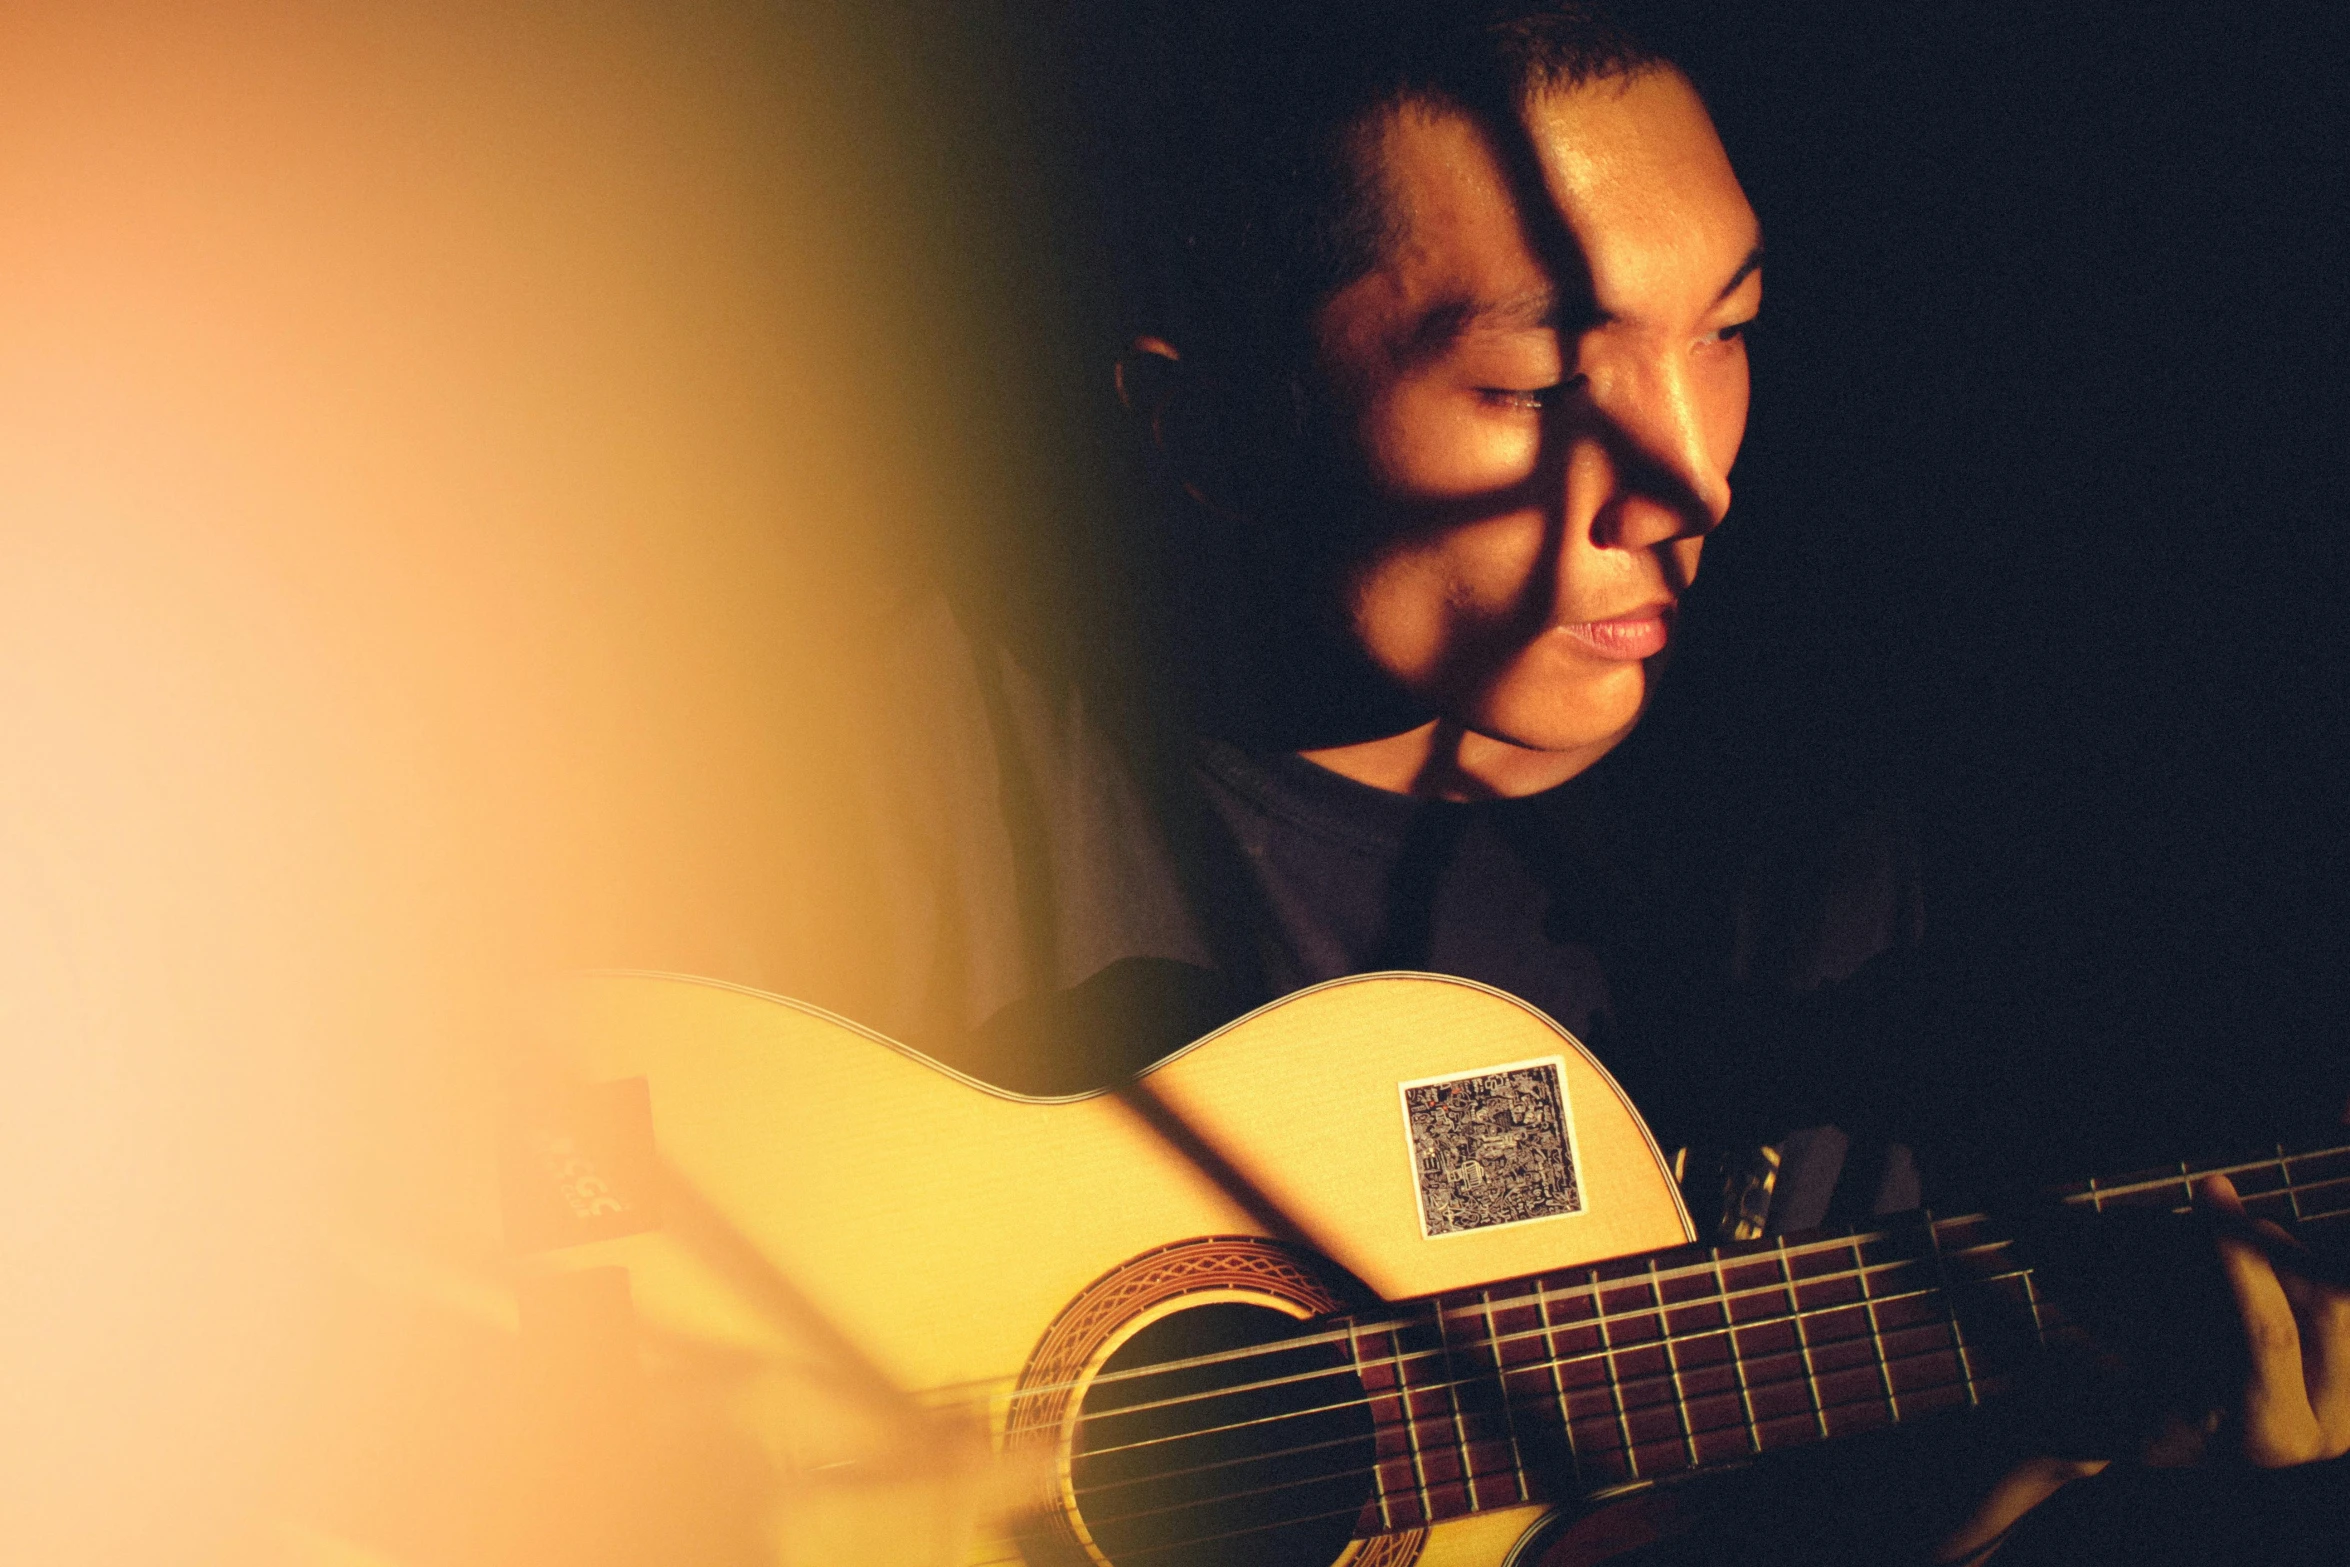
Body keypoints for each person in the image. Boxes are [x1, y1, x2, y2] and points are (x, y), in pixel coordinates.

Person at [820, 2, 2350, 1559]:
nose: (1691, 476)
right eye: (1538, 386)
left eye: (1728, 333)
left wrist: (2040, 1456)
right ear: (1207, 418)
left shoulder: (1803, 859)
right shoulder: (875, 765)